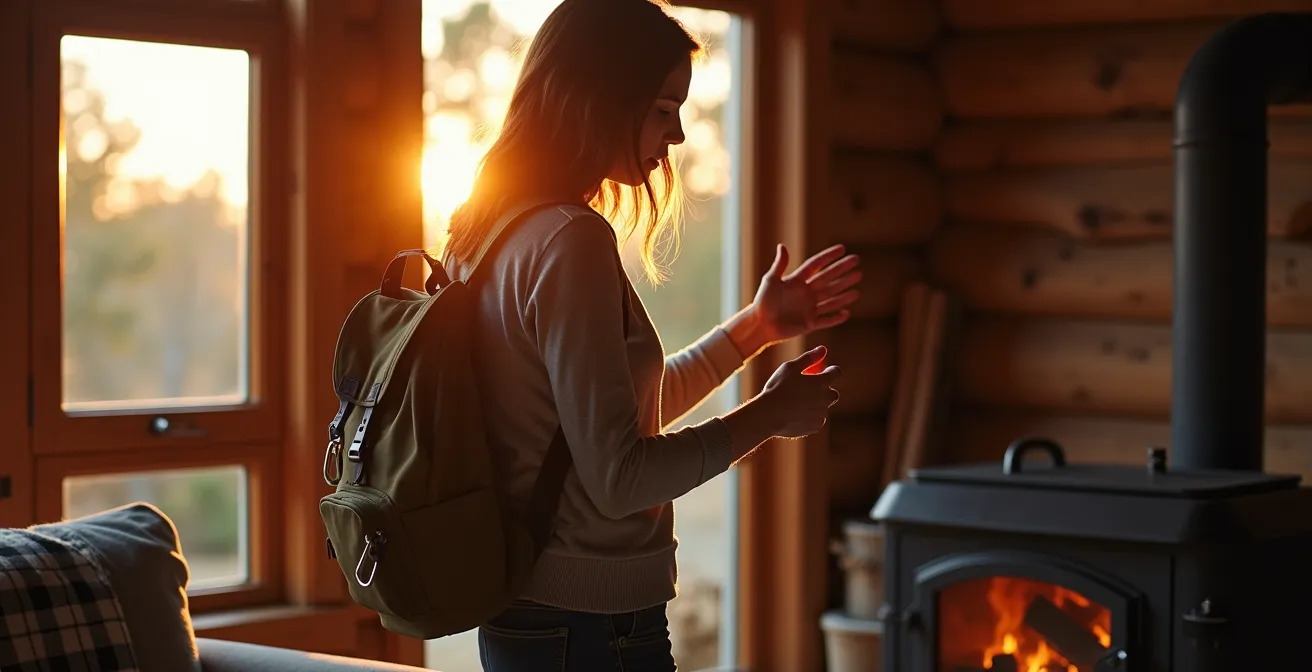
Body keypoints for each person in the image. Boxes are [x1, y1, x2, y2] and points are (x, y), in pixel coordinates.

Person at [440, 0, 862, 669]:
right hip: (588, 629)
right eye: (664, 110)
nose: (680, 135)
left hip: (535, 620)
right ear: (599, 98)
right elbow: (620, 477)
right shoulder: (569, 240)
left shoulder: (489, 229)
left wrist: (757, 327)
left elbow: (615, 420)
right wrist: (768, 417)